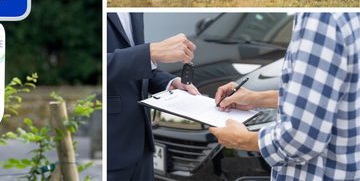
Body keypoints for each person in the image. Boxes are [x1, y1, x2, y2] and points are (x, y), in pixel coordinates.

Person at [209, 12, 360, 181]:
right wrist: (257, 98)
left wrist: (245, 140)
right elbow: (332, 97)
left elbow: (302, 137)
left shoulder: (322, 17)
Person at [107, 12, 200, 180]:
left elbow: (132, 62)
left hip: (143, 146)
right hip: (111, 149)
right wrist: (150, 52)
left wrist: (169, 82)